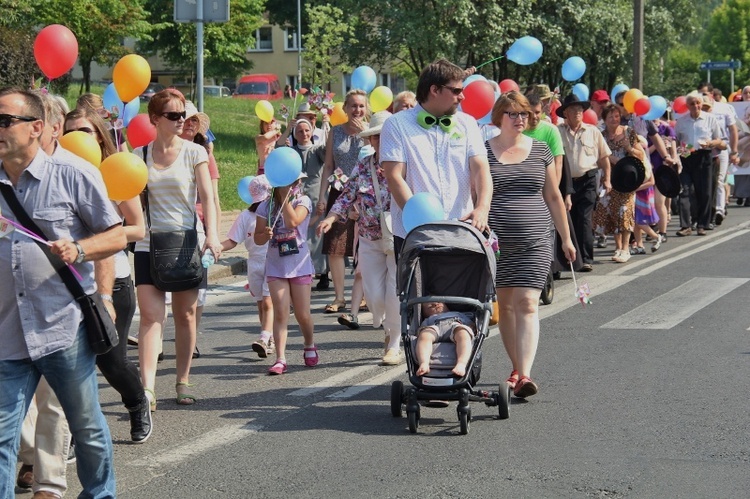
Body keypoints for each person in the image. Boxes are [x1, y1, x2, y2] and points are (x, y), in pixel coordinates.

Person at [0, 86, 125, 497]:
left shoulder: (74, 174)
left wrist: (80, 248)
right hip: (8, 331)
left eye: (5, 122)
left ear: (37, 127)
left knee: (86, 425)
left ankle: (99, 494)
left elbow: (116, 235)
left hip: (61, 327)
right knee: (2, 436)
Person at [133, 89, 222, 410]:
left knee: (185, 316)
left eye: (182, 114)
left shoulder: (194, 153)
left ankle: (182, 380)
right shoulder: (138, 155)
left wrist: (212, 235)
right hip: (148, 243)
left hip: (187, 241)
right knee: (151, 316)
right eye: (173, 115)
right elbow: (129, 200)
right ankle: (147, 389)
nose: (180, 120)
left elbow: (208, 198)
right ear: (155, 119)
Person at [486, 91, 575, 397]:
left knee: (527, 303)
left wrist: (565, 238)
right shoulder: (484, 151)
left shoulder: (540, 150)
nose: (520, 119)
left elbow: (552, 196)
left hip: (537, 239)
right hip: (496, 243)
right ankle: (515, 367)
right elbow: (477, 196)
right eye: (513, 113)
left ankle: (524, 374)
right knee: (507, 307)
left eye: (524, 113)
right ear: (499, 117)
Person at [381, 58, 492, 258]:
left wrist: (483, 208)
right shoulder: (396, 124)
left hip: (462, 230)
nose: (463, 97)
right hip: (414, 235)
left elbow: (481, 169)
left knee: (463, 290)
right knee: (419, 291)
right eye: (456, 91)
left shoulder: (467, 123)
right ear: (435, 90)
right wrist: (420, 221)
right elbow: (394, 177)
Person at [317, 111, 402, 365]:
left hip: (398, 237)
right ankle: (389, 325)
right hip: (368, 237)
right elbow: (347, 194)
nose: (378, 141)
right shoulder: (364, 165)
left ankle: (394, 342)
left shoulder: (404, 163)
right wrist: (332, 217)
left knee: (394, 292)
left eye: (382, 136)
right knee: (374, 295)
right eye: (374, 137)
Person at [254, 173, 318, 375]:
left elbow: (292, 222)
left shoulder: (302, 200)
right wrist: (265, 234)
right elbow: (257, 239)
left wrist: (284, 197)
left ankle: (309, 344)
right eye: (285, 182)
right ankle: (280, 358)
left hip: (299, 264)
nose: (291, 184)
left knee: (302, 314)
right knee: (281, 312)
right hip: (275, 265)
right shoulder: (266, 205)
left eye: (294, 181)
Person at [316, 89, 369, 313]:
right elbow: (328, 165)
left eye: (361, 106)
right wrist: (322, 196)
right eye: (353, 106)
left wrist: (366, 133)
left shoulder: (371, 131)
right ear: (345, 108)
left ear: (366, 109)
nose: (357, 110)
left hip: (366, 194)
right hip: (339, 192)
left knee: (365, 245)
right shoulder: (335, 132)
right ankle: (339, 297)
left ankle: (365, 294)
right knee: (335, 246)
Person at [525, 93, 583, 274]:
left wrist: (555, 191)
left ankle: (552, 265)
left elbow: (558, 163)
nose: (534, 117)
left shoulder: (550, 131)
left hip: (548, 183)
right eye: (529, 113)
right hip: (527, 186)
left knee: (552, 226)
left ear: (542, 111)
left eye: (537, 112)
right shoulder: (518, 129)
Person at [557, 93, 612, 271]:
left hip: (588, 179)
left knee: (585, 219)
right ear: (565, 113)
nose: (577, 113)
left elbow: (604, 157)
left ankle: (586, 259)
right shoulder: (558, 132)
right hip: (565, 183)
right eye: (573, 110)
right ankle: (568, 259)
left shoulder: (593, 131)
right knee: (566, 220)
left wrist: (607, 179)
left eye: (580, 109)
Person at [222, 175, 275, 358]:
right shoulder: (245, 216)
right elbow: (232, 240)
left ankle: (264, 337)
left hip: (272, 261)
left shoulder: (273, 213)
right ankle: (268, 337)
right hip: (254, 263)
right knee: (261, 304)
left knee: (268, 302)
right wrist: (215, 248)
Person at [592, 103, 645, 263]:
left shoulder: (629, 132)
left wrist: (629, 148)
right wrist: (612, 159)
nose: (614, 119)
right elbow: (598, 156)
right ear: (604, 119)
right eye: (610, 117)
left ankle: (626, 248)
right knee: (612, 211)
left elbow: (640, 155)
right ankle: (618, 247)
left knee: (625, 210)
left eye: (616, 116)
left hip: (627, 178)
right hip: (609, 178)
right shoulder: (601, 136)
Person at [674, 92, 724, 236]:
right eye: (692, 103)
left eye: (698, 103)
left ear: (701, 104)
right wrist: (681, 150)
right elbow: (676, 141)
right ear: (687, 106)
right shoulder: (681, 121)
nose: (695, 106)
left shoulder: (710, 119)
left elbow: (719, 140)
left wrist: (710, 143)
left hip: (704, 156)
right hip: (687, 155)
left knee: (705, 192)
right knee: (684, 191)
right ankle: (685, 225)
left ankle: (702, 224)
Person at [415, 302, 474, 377]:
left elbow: (470, 324)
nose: (436, 305)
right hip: (435, 326)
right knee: (424, 335)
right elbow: (419, 330)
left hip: (455, 324)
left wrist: (471, 327)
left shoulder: (457, 314)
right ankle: (424, 363)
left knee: (463, 334)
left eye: (439, 302)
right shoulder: (428, 319)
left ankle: (461, 364)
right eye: (431, 306)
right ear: (424, 313)